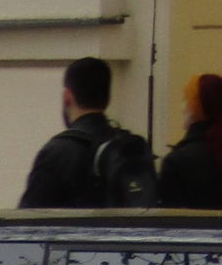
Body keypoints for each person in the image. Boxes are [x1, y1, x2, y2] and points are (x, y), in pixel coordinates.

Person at [19, 56, 157, 208]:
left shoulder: (58, 153)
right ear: (108, 98)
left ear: (67, 96)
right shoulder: (130, 147)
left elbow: (27, 222)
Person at [158, 73, 222, 211]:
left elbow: (169, 225)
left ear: (193, 109)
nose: (182, 107)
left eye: (185, 100)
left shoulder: (176, 162)